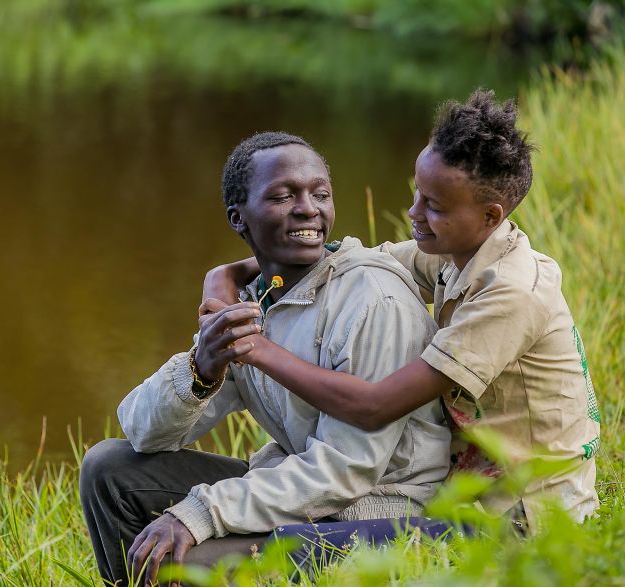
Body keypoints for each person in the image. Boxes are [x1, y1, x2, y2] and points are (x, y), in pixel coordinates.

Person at [202, 90, 600, 533]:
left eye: (434, 206)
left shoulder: (512, 292)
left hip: (524, 512)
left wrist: (255, 349)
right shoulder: (454, 250)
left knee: (279, 548)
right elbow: (333, 257)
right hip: (465, 487)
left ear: (491, 215)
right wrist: (227, 275)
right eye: (417, 193)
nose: (414, 212)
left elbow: (375, 406)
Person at [80, 131, 451, 586]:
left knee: (188, 565)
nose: (308, 208)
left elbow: (346, 470)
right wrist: (203, 366)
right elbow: (141, 432)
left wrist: (202, 513)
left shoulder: (374, 300)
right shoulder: (256, 303)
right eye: (283, 196)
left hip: (387, 512)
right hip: (315, 497)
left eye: (320, 194)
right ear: (239, 218)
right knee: (108, 468)